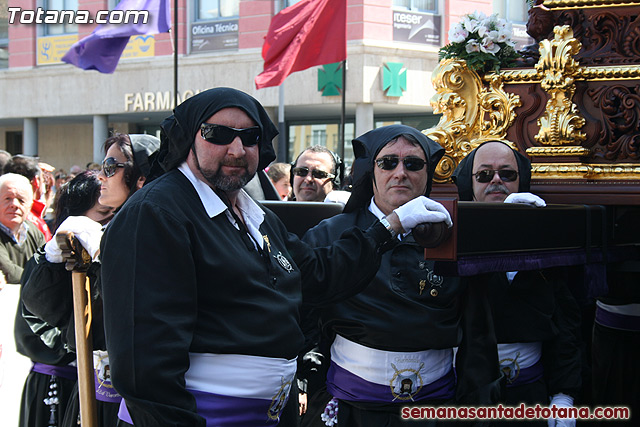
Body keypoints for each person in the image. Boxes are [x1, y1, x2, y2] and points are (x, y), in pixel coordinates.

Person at [98, 87, 451, 427]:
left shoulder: (253, 214)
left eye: (250, 136)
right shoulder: (157, 213)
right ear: (189, 138)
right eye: (218, 134)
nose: (236, 149)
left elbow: (317, 275)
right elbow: (143, 363)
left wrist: (388, 226)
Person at [300, 125, 501, 427]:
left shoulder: (454, 236)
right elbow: (302, 316)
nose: (400, 172)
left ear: (427, 173)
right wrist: (311, 388)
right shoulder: (330, 234)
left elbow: (478, 336)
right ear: (372, 170)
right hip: (350, 409)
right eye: (388, 162)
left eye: (413, 163)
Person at [21, 133, 160, 427]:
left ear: (141, 178)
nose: (102, 176)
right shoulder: (102, 234)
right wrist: (51, 257)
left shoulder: (158, 233)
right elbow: (47, 308)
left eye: (111, 166)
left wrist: (104, 255)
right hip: (94, 389)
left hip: (141, 399)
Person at [452, 140, 582, 426]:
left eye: (507, 174)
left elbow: (566, 323)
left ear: (521, 180)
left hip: (530, 393)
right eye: (485, 175)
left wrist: (563, 395)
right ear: (469, 183)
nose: (496, 181)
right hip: (467, 396)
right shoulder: (447, 238)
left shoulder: (546, 240)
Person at [16, 171, 114, 427]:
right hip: (61, 381)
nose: (109, 224)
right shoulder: (51, 260)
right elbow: (37, 323)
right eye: (103, 215)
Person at [0, 173, 46, 284]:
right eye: (8, 199)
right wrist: (40, 278)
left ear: (30, 206)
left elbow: (47, 268)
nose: (14, 205)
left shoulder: (34, 232)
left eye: (21, 200)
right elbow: (9, 273)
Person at [4, 155, 53, 241]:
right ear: (36, 181)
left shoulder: (7, 216)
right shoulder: (30, 222)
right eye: (43, 180)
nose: (14, 205)